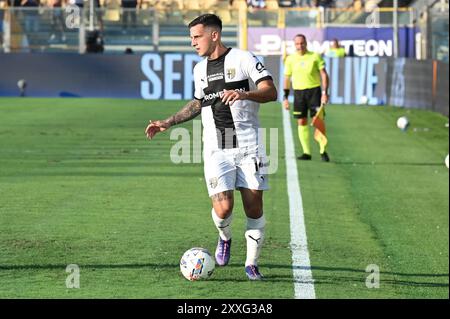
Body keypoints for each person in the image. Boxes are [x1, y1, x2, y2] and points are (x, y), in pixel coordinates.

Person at [145, 14, 277, 280]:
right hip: (217, 146)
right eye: (191, 38)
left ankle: (251, 264)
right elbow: (198, 103)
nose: (193, 42)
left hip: (248, 143)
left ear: (214, 35)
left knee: (254, 208)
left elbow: (270, 91)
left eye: (197, 37)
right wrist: (168, 122)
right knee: (223, 209)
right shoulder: (199, 70)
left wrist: (244, 93)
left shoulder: (244, 59)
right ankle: (224, 236)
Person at [283, 34, 330, 162]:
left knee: (318, 121)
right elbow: (287, 78)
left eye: (302, 43)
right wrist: (285, 97)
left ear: (306, 43)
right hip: (299, 93)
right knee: (301, 121)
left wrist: (325, 92)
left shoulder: (315, 56)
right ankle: (306, 152)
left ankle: (322, 150)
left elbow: (324, 75)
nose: (300, 46)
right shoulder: (290, 59)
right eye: (297, 44)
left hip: (314, 91)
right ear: (294, 45)